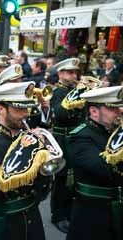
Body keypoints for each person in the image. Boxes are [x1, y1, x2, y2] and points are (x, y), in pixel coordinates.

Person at [0, 81, 51, 240]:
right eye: (19, 108)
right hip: (3, 221)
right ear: (1, 109)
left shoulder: (27, 136)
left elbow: (43, 180)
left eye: (26, 108)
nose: (26, 114)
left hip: (32, 215)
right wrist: (27, 148)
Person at [67, 86, 123, 240]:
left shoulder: (114, 130)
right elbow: (104, 169)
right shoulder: (81, 137)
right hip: (93, 214)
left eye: (119, 107)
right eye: (113, 109)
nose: (120, 112)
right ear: (94, 112)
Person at [50, 58, 85, 233]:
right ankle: (58, 215)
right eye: (70, 72)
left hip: (74, 137)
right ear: (61, 74)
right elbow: (61, 114)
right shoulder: (58, 92)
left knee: (73, 178)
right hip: (62, 138)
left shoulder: (73, 90)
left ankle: (69, 211)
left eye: (74, 72)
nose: (74, 76)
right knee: (62, 178)